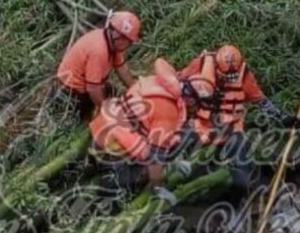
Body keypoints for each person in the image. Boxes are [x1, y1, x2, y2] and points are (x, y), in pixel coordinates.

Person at [88, 58, 215, 203]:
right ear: (192, 100)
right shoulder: (168, 111)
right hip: (109, 144)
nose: (198, 110)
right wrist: (157, 187)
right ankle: (98, 201)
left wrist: (172, 162)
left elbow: (159, 135)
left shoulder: (163, 85)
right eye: (199, 105)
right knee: (123, 189)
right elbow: (155, 156)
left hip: (106, 125)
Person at [178, 44, 297, 193]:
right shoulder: (201, 65)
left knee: (242, 171)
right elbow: (180, 83)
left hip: (232, 130)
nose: (226, 79)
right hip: (201, 126)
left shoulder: (244, 76)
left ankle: (246, 198)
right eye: (223, 76)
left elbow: (260, 100)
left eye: (230, 77)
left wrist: (282, 117)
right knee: (185, 157)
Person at [56, 11, 141, 121]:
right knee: (86, 119)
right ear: (119, 36)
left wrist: (134, 88)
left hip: (85, 86)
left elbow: (121, 68)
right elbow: (93, 88)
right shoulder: (98, 51)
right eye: (129, 42)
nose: (128, 45)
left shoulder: (113, 44)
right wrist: (105, 110)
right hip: (70, 92)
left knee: (112, 93)